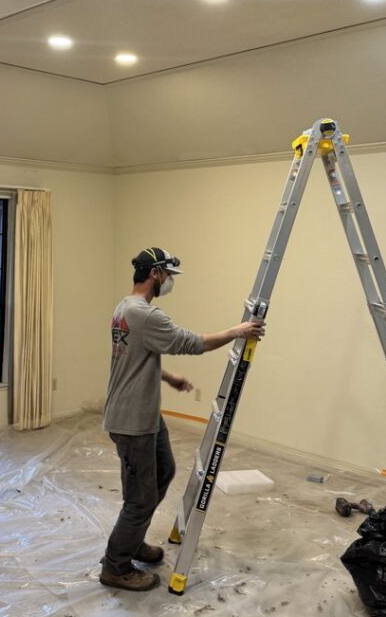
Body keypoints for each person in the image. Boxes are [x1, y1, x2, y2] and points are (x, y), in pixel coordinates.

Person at [100, 246, 265, 591]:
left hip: (144, 412)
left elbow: (135, 356)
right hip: (132, 421)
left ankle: (132, 541)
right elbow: (194, 343)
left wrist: (167, 376)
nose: (171, 282)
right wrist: (238, 331)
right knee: (140, 497)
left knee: (165, 471)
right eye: (169, 275)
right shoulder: (146, 314)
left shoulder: (125, 307)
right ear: (156, 273)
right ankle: (115, 566)